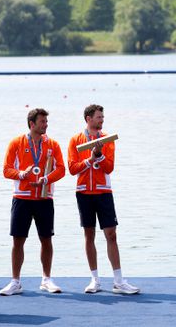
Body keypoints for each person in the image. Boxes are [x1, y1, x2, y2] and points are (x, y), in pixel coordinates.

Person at [67, 104, 140, 295]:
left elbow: (109, 168)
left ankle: (118, 281)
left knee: (111, 235)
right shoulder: (76, 140)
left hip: (103, 191)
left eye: (103, 117)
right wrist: (91, 159)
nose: (102, 120)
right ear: (88, 119)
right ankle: (95, 280)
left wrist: (98, 156)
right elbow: (72, 169)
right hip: (83, 192)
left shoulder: (107, 139)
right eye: (99, 117)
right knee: (89, 235)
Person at [0, 108, 66, 296]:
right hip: (21, 198)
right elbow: (6, 169)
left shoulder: (52, 144)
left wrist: (46, 179)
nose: (46, 125)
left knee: (46, 239)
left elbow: (61, 169)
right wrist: (21, 174)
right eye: (42, 122)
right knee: (18, 240)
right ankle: (15, 282)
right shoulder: (16, 143)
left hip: (44, 198)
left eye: (46, 121)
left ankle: (46, 279)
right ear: (32, 124)